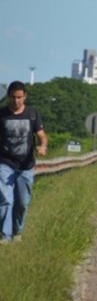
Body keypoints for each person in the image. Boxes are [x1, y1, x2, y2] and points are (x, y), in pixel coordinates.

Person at [0, 81, 48, 243]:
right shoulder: (2, 114)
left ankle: (17, 231)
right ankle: (5, 236)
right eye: (13, 97)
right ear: (8, 97)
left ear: (25, 96)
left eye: (19, 97)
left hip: (26, 165)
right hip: (5, 163)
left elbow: (41, 134)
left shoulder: (32, 113)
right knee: (6, 199)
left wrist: (42, 145)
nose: (16, 101)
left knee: (22, 202)